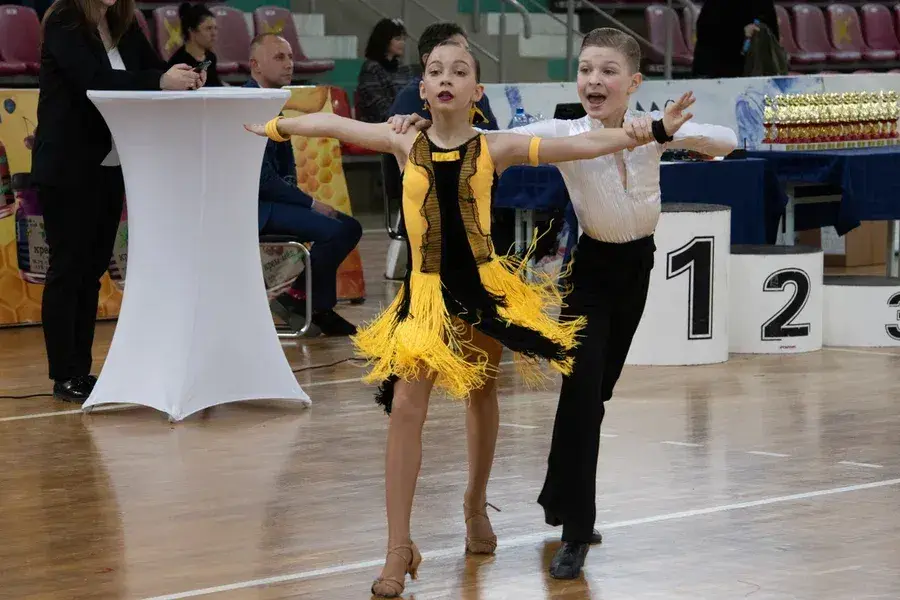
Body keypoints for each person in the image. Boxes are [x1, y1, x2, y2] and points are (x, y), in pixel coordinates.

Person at [247, 40, 695, 597]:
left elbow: (582, 147)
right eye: (434, 70)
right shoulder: (400, 137)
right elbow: (335, 126)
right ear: (424, 89)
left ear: (476, 92)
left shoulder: (494, 146)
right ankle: (397, 548)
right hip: (424, 298)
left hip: (484, 292)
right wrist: (274, 127)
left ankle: (474, 505)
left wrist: (651, 133)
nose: (445, 78)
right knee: (407, 406)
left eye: (459, 71)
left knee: (481, 393)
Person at [391, 26, 737, 580]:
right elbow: (484, 140)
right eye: (585, 71)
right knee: (580, 394)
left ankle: (561, 496)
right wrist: (418, 122)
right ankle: (575, 530)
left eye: (606, 71)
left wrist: (668, 132)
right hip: (589, 275)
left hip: (637, 270)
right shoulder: (565, 130)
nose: (593, 80)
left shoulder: (653, 128)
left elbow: (727, 140)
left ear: (633, 82)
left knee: (597, 394)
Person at [33, 0, 204, 402]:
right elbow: (93, 81)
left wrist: (179, 75)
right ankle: (64, 372)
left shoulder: (124, 25)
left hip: (110, 162)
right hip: (68, 164)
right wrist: (161, 82)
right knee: (68, 269)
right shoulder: (65, 20)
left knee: (92, 270)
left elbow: (152, 69)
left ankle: (81, 369)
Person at [245, 33, 359, 336]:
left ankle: (301, 298)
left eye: (291, 57)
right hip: (252, 207)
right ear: (255, 65)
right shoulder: (247, 104)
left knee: (349, 227)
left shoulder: (272, 102)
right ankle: (309, 304)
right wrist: (309, 203)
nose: (289, 64)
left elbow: (285, 171)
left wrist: (302, 199)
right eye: (279, 57)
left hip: (273, 200)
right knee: (335, 230)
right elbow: (263, 181)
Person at [692, 0, 778, 78]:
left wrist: (761, 30)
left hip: (755, 69)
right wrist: (740, 33)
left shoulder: (763, 4)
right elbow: (707, 32)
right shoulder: (717, 4)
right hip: (717, 69)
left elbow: (772, 30)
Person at [355, 18, 414, 123]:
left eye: (403, 39)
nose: (402, 43)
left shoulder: (404, 69)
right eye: (397, 39)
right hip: (378, 127)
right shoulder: (371, 69)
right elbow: (378, 108)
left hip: (404, 123)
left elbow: (411, 98)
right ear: (384, 40)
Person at [167, 2, 224, 87]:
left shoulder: (210, 58)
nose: (214, 33)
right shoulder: (178, 62)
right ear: (192, 31)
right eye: (208, 28)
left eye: (215, 28)